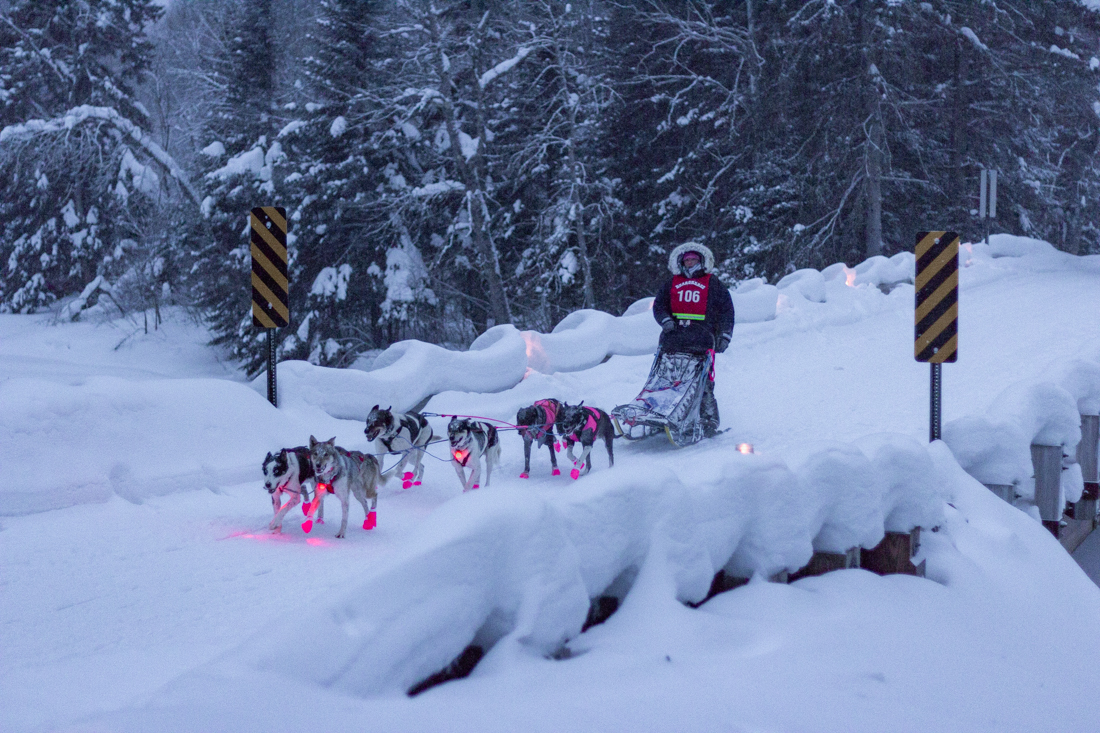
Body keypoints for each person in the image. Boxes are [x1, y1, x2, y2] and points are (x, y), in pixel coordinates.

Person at [652, 242, 734, 438]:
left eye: (693, 259)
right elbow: (659, 305)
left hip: (702, 340)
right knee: (666, 379)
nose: (690, 263)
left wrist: (724, 336)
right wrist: (665, 321)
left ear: (701, 261)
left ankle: (708, 420)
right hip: (673, 339)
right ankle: (662, 414)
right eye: (687, 260)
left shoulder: (713, 283)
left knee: (702, 382)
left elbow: (726, 310)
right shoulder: (672, 283)